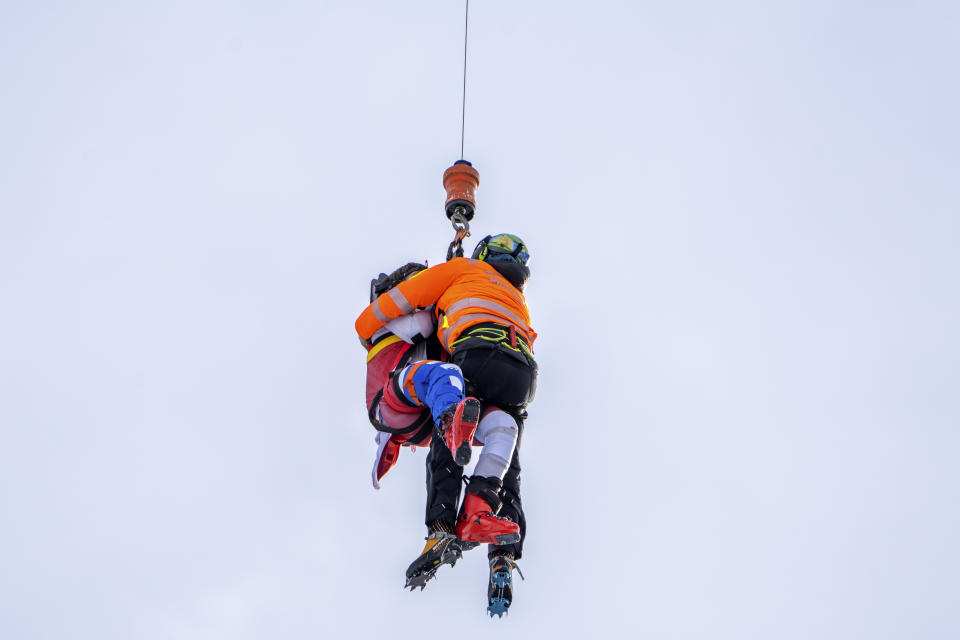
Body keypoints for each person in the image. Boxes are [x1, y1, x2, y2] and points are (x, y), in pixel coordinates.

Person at [356, 233, 537, 616]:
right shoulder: (518, 300)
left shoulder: (461, 270)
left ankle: (441, 524)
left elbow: (397, 307)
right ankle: (489, 530)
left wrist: (365, 325)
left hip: (464, 363)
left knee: (451, 404)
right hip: (521, 376)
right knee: (506, 438)